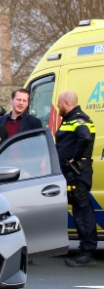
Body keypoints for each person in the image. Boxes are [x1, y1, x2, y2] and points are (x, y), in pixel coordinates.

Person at [55, 90, 97, 266]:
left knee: (82, 211)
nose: (57, 106)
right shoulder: (71, 119)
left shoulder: (78, 119)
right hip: (73, 172)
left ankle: (87, 252)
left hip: (77, 172)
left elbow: (85, 136)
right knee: (80, 210)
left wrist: (75, 157)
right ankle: (84, 249)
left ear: (66, 103)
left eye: (59, 103)